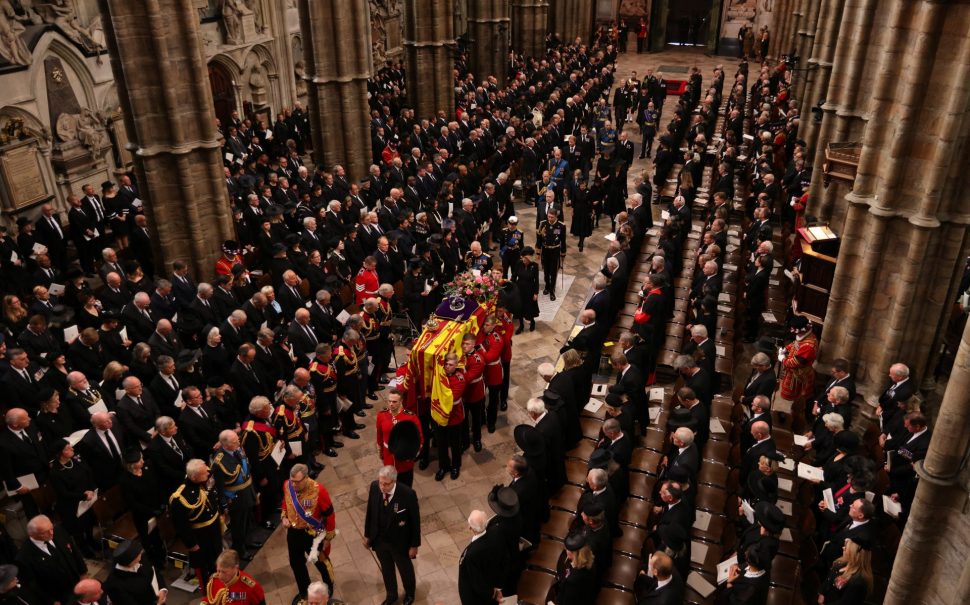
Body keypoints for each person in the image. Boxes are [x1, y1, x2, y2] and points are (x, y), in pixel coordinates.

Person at [364, 466, 421, 605]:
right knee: (387, 569)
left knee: (405, 570)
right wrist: (367, 535)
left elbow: (415, 522)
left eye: (386, 484)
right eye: (380, 482)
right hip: (380, 540)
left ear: (394, 481)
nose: (382, 486)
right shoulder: (374, 487)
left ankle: (409, 594)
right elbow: (370, 512)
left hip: (400, 543)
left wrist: (414, 545)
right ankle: (391, 595)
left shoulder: (408, 494)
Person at [281, 463, 337, 601]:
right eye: (292, 481)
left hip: (313, 535)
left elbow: (329, 515)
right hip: (294, 532)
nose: (293, 485)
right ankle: (304, 592)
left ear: (306, 478)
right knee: (296, 563)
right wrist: (284, 517)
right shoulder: (287, 485)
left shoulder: (319, 491)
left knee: (321, 563)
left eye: (297, 482)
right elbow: (286, 502)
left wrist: (328, 537)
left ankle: (328, 590)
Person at [169, 459, 222, 585]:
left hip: (214, 529)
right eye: (204, 474)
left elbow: (213, 498)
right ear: (194, 477)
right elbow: (181, 526)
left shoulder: (204, 480)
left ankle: (221, 581)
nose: (208, 474)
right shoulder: (180, 498)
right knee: (206, 566)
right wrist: (191, 544)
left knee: (218, 557)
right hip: (201, 536)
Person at [15, 515, 87, 605]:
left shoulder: (59, 530)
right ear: (33, 535)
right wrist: (51, 601)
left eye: (51, 528)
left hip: (77, 582)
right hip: (58, 595)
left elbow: (75, 552)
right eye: (45, 532)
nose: (52, 533)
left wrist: (83, 574)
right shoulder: (23, 557)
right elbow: (33, 585)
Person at [212, 429, 257, 559]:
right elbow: (219, 487)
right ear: (225, 445)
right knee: (238, 526)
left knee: (248, 519)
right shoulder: (219, 462)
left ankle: (248, 541)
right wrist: (224, 504)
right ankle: (240, 550)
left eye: (237, 438)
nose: (238, 441)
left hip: (247, 490)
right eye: (234, 441)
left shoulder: (237, 449)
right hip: (236, 498)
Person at [375, 389, 423, 485]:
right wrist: (380, 452)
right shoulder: (381, 415)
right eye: (389, 401)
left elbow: (420, 439)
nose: (391, 404)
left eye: (394, 402)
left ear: (401, 401)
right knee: (390, 486)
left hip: (405, 461)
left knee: (406, 487)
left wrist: (412, 455)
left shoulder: (411, 418)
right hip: (388, 458)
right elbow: (379, 435)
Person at [458, 510, 504, 605]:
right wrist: (497, 587)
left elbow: (477, 583)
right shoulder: (495, 535)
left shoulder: (471, 554)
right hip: (490, 585)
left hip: (477, 598)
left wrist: (491, 593)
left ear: (470, 528)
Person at [103, 539, 168, 605]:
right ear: (130, 561)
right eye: (139, 554)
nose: (142, 553)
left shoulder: (140, 556)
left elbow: (154, 571)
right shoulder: (115, 586)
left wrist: (162, 589)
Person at [819, 535, 872, 604]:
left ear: (854, 554)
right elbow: (828, 580)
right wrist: (821, 593)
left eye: (846, 548)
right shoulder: (839, 564)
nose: (843, 548)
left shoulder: (859, 582)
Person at [202, 549, 266, 605]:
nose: (220, 576)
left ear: (236, 568)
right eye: (218, 570)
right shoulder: (215, 580)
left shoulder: (250, 588)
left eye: (224, 572)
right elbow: (210, 598)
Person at [555, 532, 599, 605]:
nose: (566, 551)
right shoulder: (590, 561)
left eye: (567, 549)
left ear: (571, 553)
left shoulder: (572, 581)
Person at [536, 209, 566, 300]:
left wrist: (563, 254)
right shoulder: (543, 224)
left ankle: (552, 290)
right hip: (545, 250)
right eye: (548, 216)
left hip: (555, 251)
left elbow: (563, 241)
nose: (550, 218)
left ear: (556, 216)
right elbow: (539, 239)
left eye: (552, 217)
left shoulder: (561, 226)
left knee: (553, 272)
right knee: (546, 270)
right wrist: (538, 252)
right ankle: (547, 286)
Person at [511, 246, 539, 333]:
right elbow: (514, 276)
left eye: (525, 258)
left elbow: (536, 280)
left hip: (529, 290)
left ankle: (532, 322)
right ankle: (521, 325)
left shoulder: (534, 266)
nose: (523, 259)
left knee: (529, 308)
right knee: (519, 308)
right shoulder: (518, 263)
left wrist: (536, 293)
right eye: (522, 257)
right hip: (519, 289)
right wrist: (512, 288)